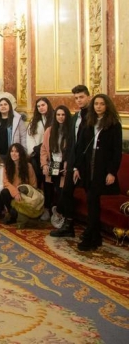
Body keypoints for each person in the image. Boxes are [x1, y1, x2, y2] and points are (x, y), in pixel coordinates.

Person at [71, 94, 122, 251]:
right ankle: (95, 236)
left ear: (107, 106)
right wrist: (76, 167)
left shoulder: (114, 125)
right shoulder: (88, 122)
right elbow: (80, 147)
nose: (98, 106)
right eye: (96, 104)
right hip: (87, 167)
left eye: (102, 104)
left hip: (102, 168)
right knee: (91, 201)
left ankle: (90, 235)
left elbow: (117, 151)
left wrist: (112, 172)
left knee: (93, 200)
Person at [51, 85, 91, 238]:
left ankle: (91, 230)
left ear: (88, 96)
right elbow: (72, 142)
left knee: (89, 196)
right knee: (66, 193)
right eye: (76, 98)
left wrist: (78, 166)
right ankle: (68, 226)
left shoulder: (92, 117)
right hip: (72, 163)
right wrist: (69, 162)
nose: (79, 100)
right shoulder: (75, 117)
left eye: (81, 97)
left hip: (85, 165)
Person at [40, 105, 72, 222]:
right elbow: (43, 149)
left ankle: (59, 213)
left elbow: (72, 150)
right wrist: (44, 164)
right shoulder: (49, 130)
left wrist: (67, 165)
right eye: (58, 114)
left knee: (61, 189)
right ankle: (48, 209)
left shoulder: (70, 131)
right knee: (49, 186)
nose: (61, 117)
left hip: (64, 164)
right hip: (53, 162)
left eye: (63, 115)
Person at [0, 143, 37, 225]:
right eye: (12, 151)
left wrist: (25, 194)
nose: (14, 153)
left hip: (25, 193)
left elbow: (33, 184)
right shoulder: (7, 166)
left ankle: (21, 214)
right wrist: (15, 193)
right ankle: (12, 215)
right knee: (4, 192)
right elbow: (6, 182)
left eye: (16, 151)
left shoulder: (28, 166)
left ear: (21, 153)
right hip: (13, 192)